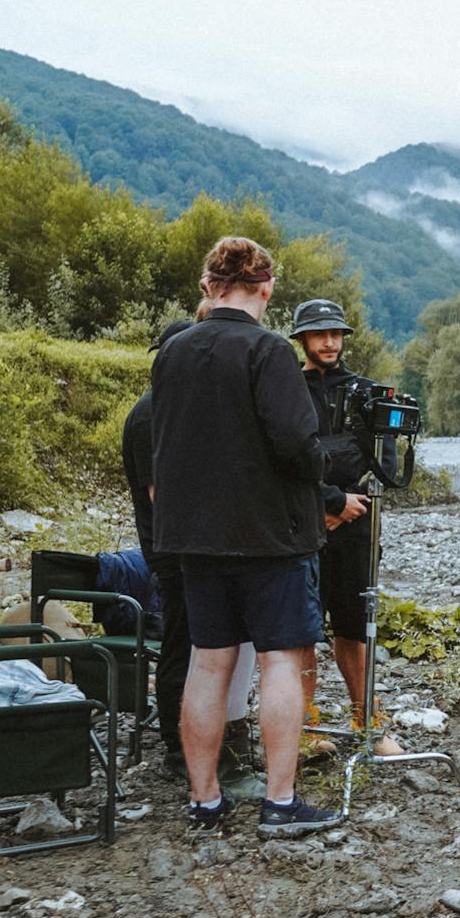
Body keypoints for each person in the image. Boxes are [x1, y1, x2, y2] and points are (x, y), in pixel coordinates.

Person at [151, 236, 342, 836]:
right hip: (268, 537)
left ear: (208, 287)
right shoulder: (268, 352)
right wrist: (323, 470)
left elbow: (167, 442)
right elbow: (294, 445)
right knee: (279, 660)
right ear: (267, 287)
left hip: (195, 539)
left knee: (208, 664)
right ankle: (280, 802)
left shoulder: (172, 354)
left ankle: (204, 801)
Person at [289, 298, 404, 757]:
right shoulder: (287, 391)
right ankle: (306, 728)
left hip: (359, 526)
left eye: (335, 333)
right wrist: (329, 501)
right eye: (320, 334)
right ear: (303, 340)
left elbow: (386, 461)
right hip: (301, 525)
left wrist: (345, 500)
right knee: (301, 632)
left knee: (354, 629)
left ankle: (368, 723)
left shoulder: (369, 393)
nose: (330, 341)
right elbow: (285, 459)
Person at [121, 318, 195, 771]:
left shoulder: (166, 407)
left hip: (177, 544)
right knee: (180, 642)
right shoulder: (151, 414)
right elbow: (160, 493)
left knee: (189, 640)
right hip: (172, 548)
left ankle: (189, 736)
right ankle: (174, 743)